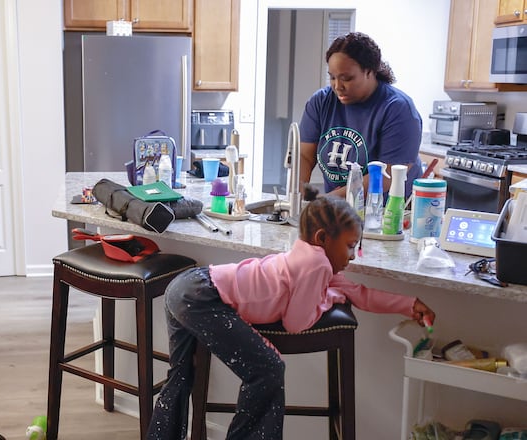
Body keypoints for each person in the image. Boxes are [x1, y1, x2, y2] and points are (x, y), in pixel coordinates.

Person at [146, 189, 435, 440]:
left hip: (187, 286)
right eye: (350, 246)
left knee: (181, 374)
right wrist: (330, 298)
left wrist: (408, 304)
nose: (353, 255)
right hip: (201, 298)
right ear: (323, 238)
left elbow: (357, 292)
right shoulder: (317, 265)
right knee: (267, 369)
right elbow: (297, 323)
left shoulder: (310, 257)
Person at [298, 31, 423, 200]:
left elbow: (387, 177)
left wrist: (327, 200)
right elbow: (304, 155)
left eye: (347, 78)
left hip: (387, 212)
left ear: (370, 71)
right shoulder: (321, 102)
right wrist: (298, 195)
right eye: (332, 77)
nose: (337, 86)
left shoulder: (397, 109)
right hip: (339, 208)